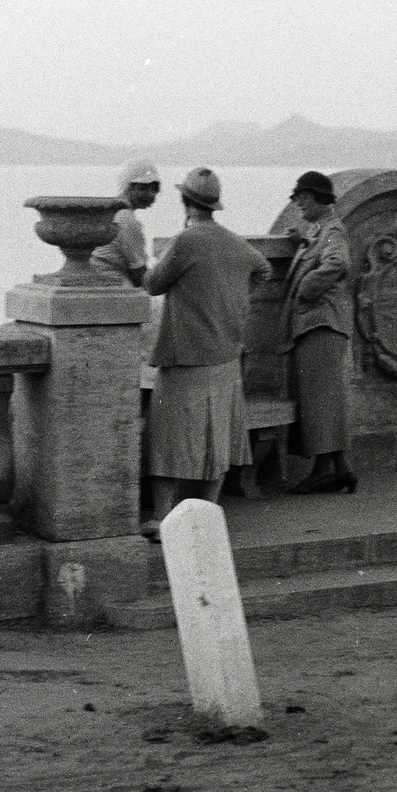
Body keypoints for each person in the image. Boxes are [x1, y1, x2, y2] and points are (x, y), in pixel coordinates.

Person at [141, 166, 274, 538]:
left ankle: (162, 518)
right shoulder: (234, 242)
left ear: (184, 202)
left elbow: (151, 284)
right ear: (215, 205)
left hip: (186, 355)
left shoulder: (187, 241)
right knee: (219, 440)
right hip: (226, 355)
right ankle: (209, 512)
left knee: (167, 440)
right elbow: (263, 269)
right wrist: (238, 301)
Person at [279, 171, 357, 494]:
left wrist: (306, 289)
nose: (297, 205)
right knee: (325, 399)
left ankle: (323, 471)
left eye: (300, 200)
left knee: (319, 400)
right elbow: (323, 251)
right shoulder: (323, 231)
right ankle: (339, 469)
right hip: (322, 325)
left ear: (312, 198)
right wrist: (304, 241)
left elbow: (337, 263)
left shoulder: (333, 230)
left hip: (321, 324)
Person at [90, 158, 161, 286]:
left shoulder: (111, 210)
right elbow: (139, 273)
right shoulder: (127, 219)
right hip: (113, 284)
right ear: (127, 188)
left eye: (154, 188)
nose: (150, 194)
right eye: (143, 188)